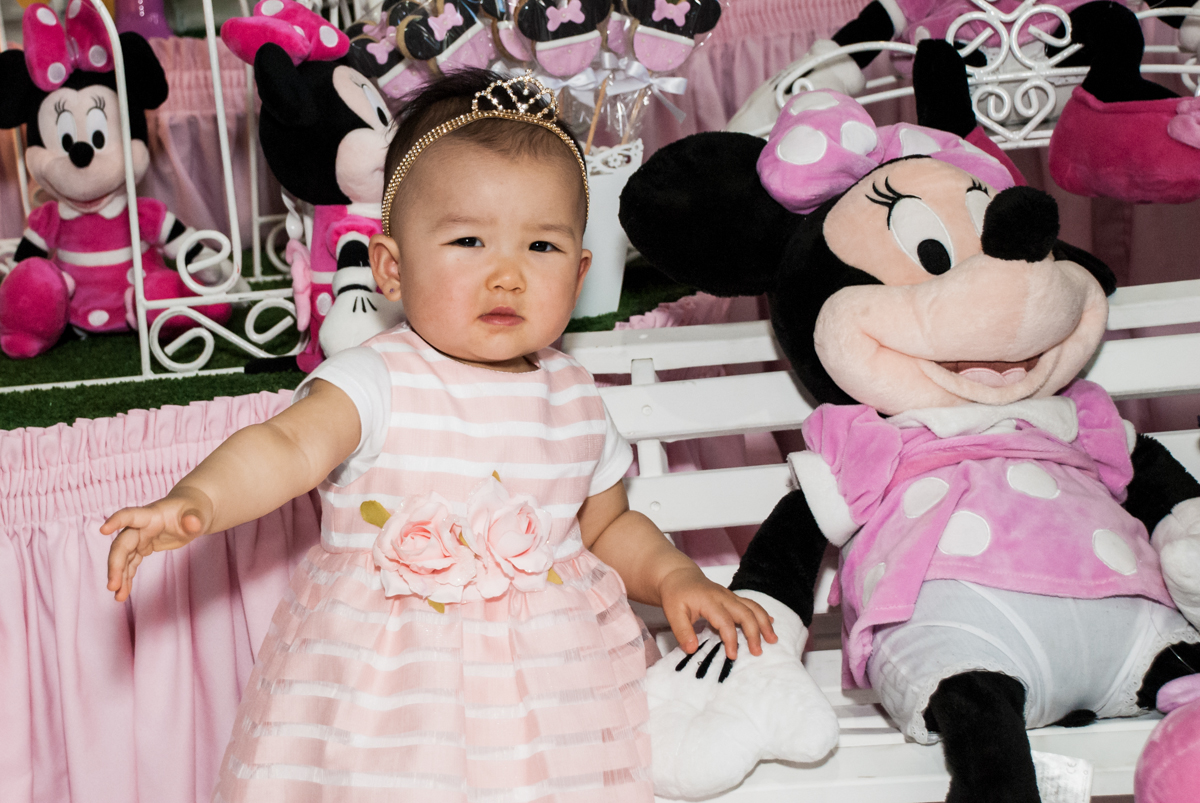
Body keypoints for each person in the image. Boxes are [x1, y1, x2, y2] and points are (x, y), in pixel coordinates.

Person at [101, 68, 775, 802]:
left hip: (551, 703)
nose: (507, 274)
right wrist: (197, 498)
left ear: (580, 271)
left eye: (541, 248)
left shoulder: (575, 398)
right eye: (468, 240)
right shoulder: (377, 377)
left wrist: (674, 575)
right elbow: (287, 447)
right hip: (388, 702)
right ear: (391, 267)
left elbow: (607, 524)